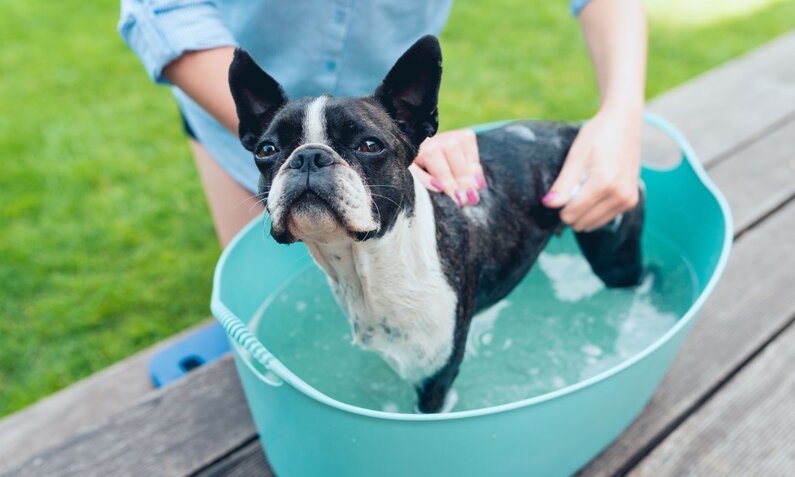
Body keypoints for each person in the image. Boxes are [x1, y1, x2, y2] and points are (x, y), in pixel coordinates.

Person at [118, 0, 646, 247]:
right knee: (274, 304)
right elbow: (164, 10)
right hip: (236, 106)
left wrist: (623, 116)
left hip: (389, 122)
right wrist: (274, 131)